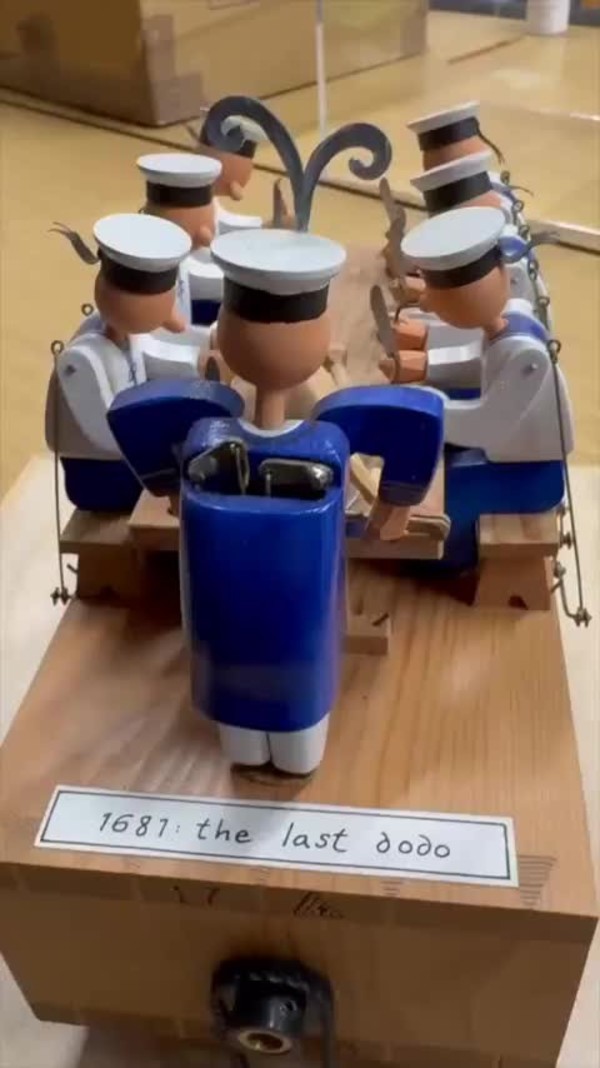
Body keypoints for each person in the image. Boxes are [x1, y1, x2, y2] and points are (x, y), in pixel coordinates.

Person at [46, 213, 191, 511]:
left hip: (128, 458)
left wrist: (198, 368)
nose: (173, 319)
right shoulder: (81, 361)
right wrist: (164, 439)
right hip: (101, 474)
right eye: (163, 308)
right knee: (188, 478)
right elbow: (105, 435)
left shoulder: (128, 336)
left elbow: (157, 357)